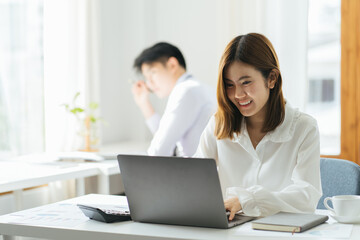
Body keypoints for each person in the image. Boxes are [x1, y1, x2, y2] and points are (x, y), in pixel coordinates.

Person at [194, 33, 322, 220]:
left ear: (271, 79)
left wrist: (247, 200)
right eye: (229, 85)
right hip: (227, 232)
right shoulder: (218, 124)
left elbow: (307, 197)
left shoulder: (304, 128)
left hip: (278, 233)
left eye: (246, 82)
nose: (237, 94)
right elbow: (194, 180)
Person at [132, 42, 216, 157]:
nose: (150, 84)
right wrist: (144, 103)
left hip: (193, 171)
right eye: (146, 78)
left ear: (172, 65)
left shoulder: (185, 90)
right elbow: (166, 137)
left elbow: (159, 151)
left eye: (152, 73)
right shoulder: (200, 88)